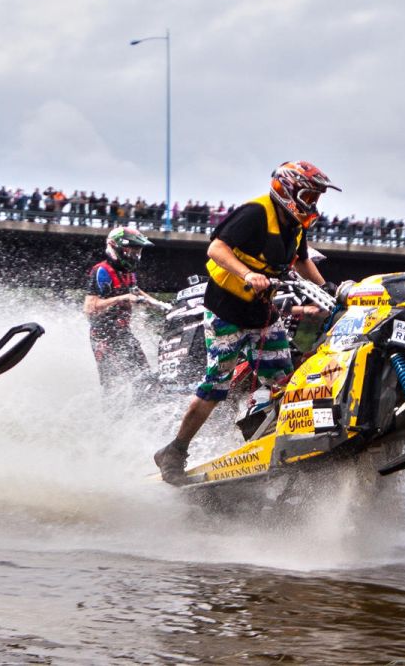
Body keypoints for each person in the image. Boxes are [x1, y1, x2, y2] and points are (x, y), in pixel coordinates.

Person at [154, 161, 339, 484]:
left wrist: (328, 291)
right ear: (288, 190)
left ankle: (280, 441)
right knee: (216, 388)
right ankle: (175, 451)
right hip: (227, 312)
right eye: (310, 195)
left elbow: (302, 259)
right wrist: (248, 274)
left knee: (286, 381)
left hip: (263, 315)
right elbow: (216, 248)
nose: (313, 203)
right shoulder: (255, 213)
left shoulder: (295, 223)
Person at [84, 226, 160, 391]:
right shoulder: (101, 271)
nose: (135, 256)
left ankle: (145, 408)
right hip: (103, 337)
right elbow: (90, 307)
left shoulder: (128, 272)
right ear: (116, 248)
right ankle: (112, 415)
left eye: (137, 252)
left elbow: (135, 291)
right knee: (114, 384)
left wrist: (161, 305)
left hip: (123, 333)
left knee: (145, 375)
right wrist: (123, 298)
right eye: (131, 251)